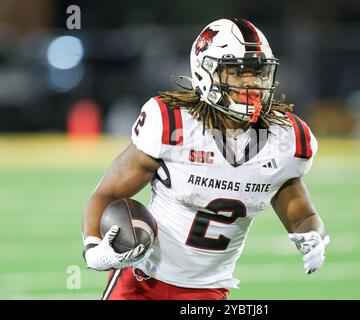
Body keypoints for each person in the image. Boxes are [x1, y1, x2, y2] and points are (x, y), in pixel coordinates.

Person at [82, 18, 329, 300]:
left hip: (208, 290)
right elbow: (107, 193)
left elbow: (302, 216)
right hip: (141, 281)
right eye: (237, 72)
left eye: (258, 72)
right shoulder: (173, 125)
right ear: (207, 71)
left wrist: (313, 235)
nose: (251, 82)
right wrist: (93, 246)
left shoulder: (285, 140)